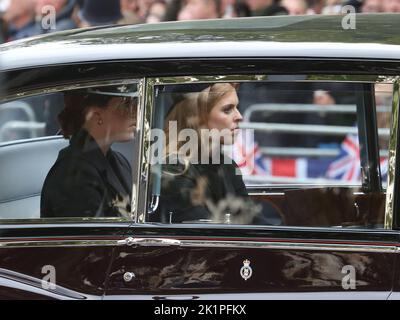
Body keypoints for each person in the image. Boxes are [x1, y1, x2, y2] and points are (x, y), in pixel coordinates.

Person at [158, 83, 256, 224]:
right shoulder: (174, 169)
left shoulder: (227, 165)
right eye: (228, 109)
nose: (239, 116)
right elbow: (204, 233)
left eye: (237, 107)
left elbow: (250, 219)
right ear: (198, 116)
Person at [40, 85, 138, 218]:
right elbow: (93, 236)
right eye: (125, 104)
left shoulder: (118, 161)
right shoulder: (74, 176)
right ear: (96, 116)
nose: (135, 112)